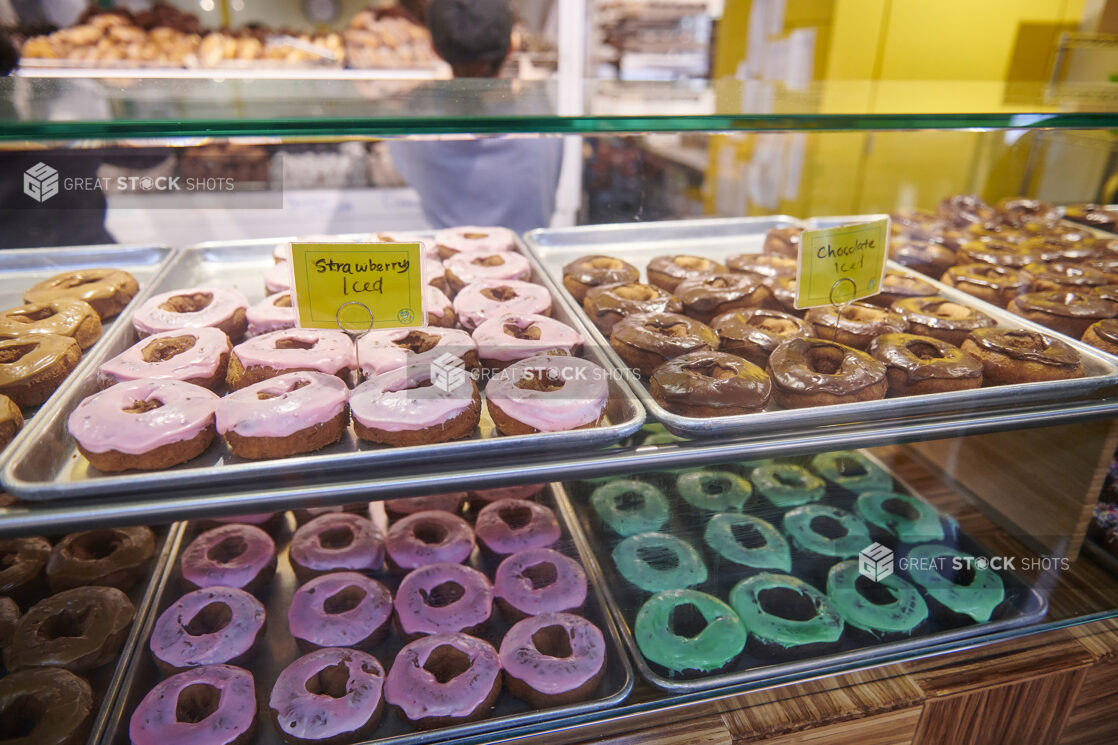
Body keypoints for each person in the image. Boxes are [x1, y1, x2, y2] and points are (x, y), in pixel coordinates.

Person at [387, 0, 563, 234]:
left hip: (451, 260)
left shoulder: (415, 131)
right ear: (512, 45)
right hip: (527, 257)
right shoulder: (547, 115)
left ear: (434, 49)